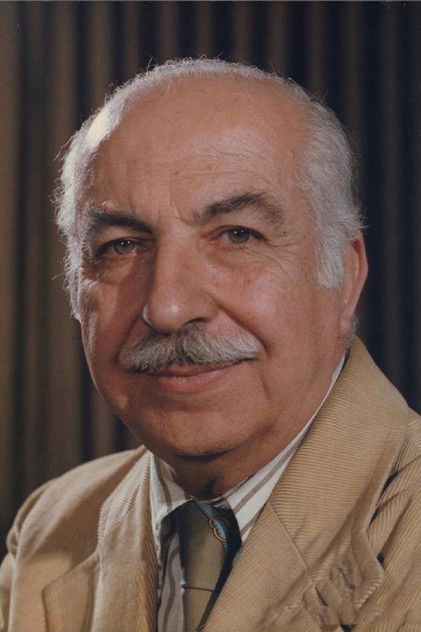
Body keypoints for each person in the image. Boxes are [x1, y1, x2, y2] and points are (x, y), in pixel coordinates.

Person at [0, 58, 420, 632]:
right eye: (122, 246)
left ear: (343, 278)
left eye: (237, 236)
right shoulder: (53, 528)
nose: (167, 308)